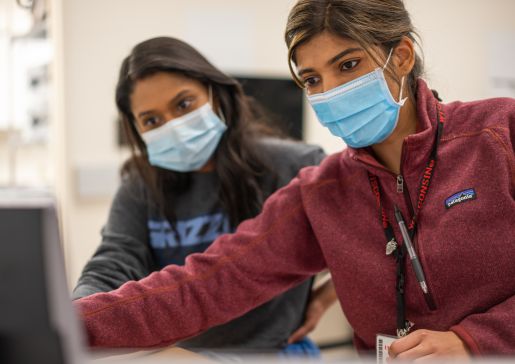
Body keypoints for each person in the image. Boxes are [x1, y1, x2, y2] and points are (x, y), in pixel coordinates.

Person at [74, 0, 515, 359]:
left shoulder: (498, 134)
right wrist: (65, 323)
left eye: (347, 65)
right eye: (312, 79)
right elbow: (206, 284)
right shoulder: (322, 191)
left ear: (400, 56)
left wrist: (473, 341)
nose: (329, 91)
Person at [71, 36, 332, 355]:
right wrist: (74, 316)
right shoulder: (140, 185)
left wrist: (326, 296)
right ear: (136, 129)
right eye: (152, 120)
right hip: (185, 356)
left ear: (216, 95)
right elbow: (114, 261)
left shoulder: (295, 165)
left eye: (184, 104)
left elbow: (367, 241)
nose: (174, 126)